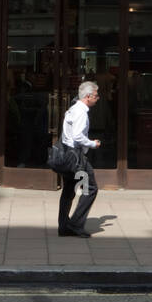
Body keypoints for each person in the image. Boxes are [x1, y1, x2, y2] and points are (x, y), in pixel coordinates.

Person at [56, 81, 101, 238]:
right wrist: (92, 144)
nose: (98, 98)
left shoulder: (73, 109)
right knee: (90, 188)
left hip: (68, 155)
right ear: (88, 97)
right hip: (77, 158)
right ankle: (75, 224)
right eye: (96, 95)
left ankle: (63, 227)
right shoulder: (81, 112)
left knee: (68, 190)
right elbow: (77, 135)